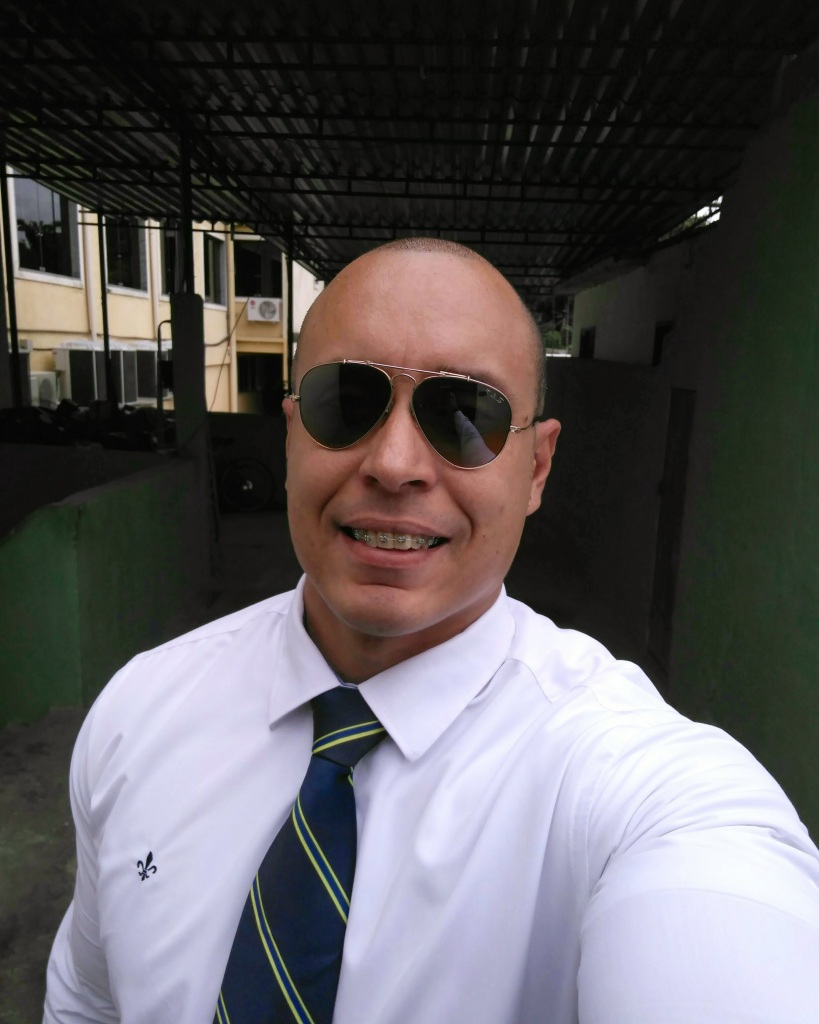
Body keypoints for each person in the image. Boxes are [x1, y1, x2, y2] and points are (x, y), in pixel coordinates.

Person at [44, 239, 819, 1023]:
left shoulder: (627, 785)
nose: (393, 463)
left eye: (464, 415)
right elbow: (87, 1001)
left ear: (537, 468)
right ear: (291, 438)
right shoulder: (139, 713)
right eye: (346, 403)